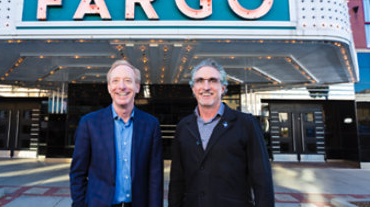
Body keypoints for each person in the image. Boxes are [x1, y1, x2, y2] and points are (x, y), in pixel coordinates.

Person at [168, 59, 274, 207]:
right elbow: (177, 181)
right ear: (193, 88)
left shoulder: (246, 124)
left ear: (223, 88)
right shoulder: (183, 127)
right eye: (200, 81)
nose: (206, 87)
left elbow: (262, 179)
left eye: (212, 80)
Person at [70, 60, 163, 207]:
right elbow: (78, 174)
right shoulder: (89, 124)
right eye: (115, 81)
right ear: (109, 87)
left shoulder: (151, 125)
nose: (122, 86)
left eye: (128, 81)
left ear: (137, 87)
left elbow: (155, 177)